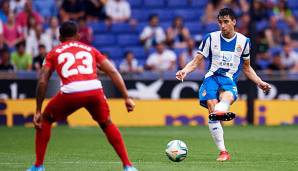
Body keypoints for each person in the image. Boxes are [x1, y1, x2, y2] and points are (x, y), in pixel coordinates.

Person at [26, 21, 138, 171]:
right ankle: (128, 166)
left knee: (45, 120)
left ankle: (38, 166)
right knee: (107, 123)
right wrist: (126, 97)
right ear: (78, 36)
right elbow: (112, 71)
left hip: (71, 92)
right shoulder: (90, 49)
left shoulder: (53, 52)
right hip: (94, 90)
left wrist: (38, 110)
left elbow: (42, 81)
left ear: (60, 37)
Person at [176, 8, 271, 161]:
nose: (223, 25)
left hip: (229, 79)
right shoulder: (210, 38)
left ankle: (221, 109)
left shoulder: (244, 41)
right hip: (212, 78)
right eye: (220, 22)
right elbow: (197, 61)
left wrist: (259, 82)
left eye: (226, 22)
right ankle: (223, 151)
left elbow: (246, 67)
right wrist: (185, 70)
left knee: (226, 96)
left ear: (234, 22)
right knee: (212, 107)